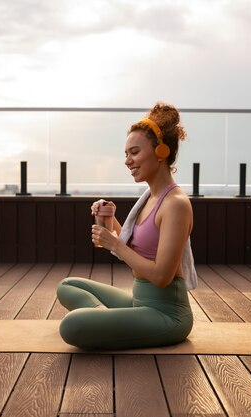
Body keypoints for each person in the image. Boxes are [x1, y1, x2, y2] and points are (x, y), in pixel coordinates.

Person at [56, 102, 198, 350]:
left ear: (161, 152)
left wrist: (115, 245)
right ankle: (106, 320)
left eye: (134, 152)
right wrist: (111, 219)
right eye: (126, 154)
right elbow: (136, 247)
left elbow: (162, 276)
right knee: (68, 286)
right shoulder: (150, 198)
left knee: (72, 325)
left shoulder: (175, 204)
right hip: (139, 301)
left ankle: (100, 321)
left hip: (167, 314)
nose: (127, 161)